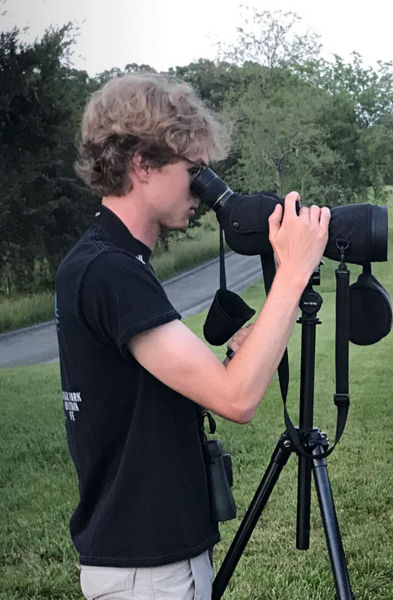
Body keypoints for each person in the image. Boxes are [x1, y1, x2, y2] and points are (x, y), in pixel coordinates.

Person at [55, 72, 330, 600]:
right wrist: (294, 271)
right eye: (194, 171)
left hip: (149, 556)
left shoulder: (107, 262)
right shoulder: (110, 271)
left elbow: (176, 385)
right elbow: (237, 398)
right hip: (147, 570)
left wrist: (239, 351)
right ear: (141, 164)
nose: (204, 190)